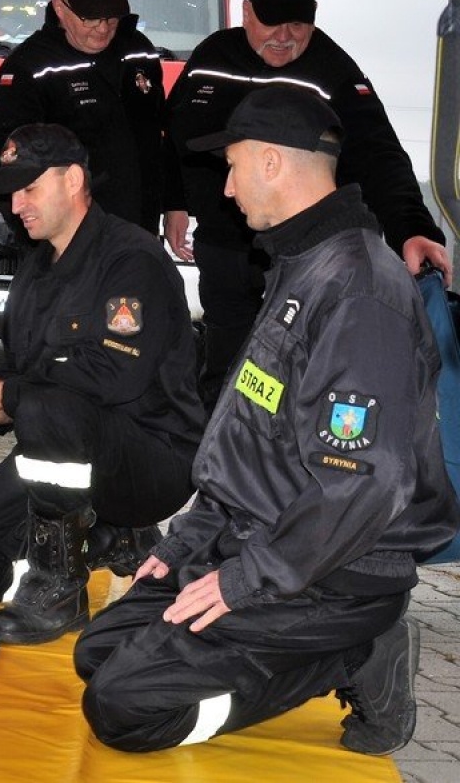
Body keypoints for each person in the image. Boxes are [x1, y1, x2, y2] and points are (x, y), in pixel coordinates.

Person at [75, 88, 460, 756]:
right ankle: (286, 641)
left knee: (122, 706)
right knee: (98, 653)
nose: (225, 188)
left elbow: (359, 486)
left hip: (339, 569)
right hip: (267, 538)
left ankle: (354, 656)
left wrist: (239, 581)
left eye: (233, 165)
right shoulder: (303, 263)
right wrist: (186, 543)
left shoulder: (360, 291)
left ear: (274, 162)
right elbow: (252, 442)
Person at [0, 124, 204, 645]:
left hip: (149, 457)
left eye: (30, 188)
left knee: (51, 407)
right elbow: (33, 374)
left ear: (73, 180)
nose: (17, 202)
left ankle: (59, 584)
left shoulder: (130, 259)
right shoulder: (36, 268)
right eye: (11, 191)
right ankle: (101, 542)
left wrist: (7, 397)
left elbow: (113, 375)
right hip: (65, 447)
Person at [164, 0, 450, 411]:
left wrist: (412, 227)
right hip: (224, 246)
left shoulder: (333, 70)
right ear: (246, 12)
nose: (283, 35)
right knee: (223, 364)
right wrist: (173, 203)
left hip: (307, 258)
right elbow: (172, 137)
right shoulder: (211, 57)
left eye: (298, 23)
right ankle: (219, 462)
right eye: (271, 22)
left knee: (291, 373)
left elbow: (380, 155)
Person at [0, 0, 167, 235]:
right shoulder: (30, 66)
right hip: (68, 237)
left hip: (140, 227)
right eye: (89, 17)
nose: (103, 28)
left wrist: (172, 204)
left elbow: (159, 135)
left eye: (111, 16)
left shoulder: (138, 50)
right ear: (60, 7)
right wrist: (36, 236)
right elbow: (3, 160)